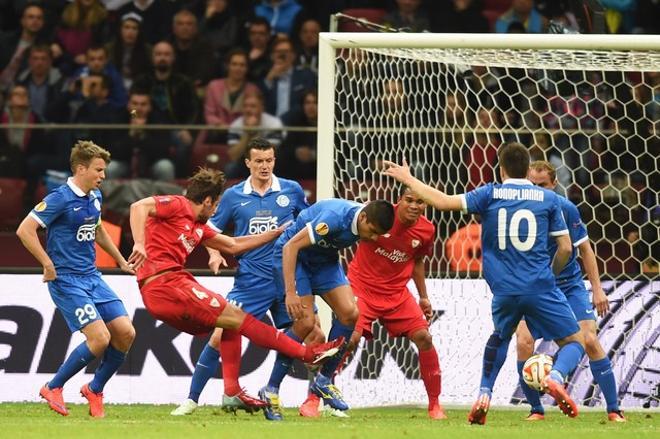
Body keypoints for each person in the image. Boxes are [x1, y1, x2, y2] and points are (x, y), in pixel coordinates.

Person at [383, 142, 586, 424]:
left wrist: (408, 179)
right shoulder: (547, 199)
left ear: (501, 169)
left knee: (500, 337)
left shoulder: (489, 193)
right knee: (574, 341)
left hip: (503, 290)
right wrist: (550, 275)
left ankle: (484, 393)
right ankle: (555, 377)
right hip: (540, 286)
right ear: (528, 170)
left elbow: (442, 201)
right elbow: (565, 247)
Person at [128, 168, 343, 402]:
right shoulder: (179, 205)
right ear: (208, 200)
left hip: (166, 290)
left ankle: (231, 391)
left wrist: (276, 234)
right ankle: (307, 354)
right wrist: (139, 243)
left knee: (230, 322)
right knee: (235, 317)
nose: (216, 211)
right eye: (216, 205)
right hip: (166, 283)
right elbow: (139, 206)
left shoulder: (198, 227)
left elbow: (232, 245)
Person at [170, 137, 318, 416]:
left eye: (269, 160)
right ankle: (192, 399)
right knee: (220, 333)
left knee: (311, 329)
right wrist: (215, 253)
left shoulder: (292, 190)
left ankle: (309, 398)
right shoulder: (234, 196)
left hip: (287, 277)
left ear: (275, 160)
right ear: (248, 162)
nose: (265, 166)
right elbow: (207, 229)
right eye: (259, 161)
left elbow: (306, 224)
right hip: (251, 278)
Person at [15, 140, 137, 418]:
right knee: (100, 338)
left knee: (126, 333)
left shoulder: (94, 196)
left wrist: (120, 260)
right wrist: (46, 263)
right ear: (81, 169)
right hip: (66, 280)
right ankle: (53, 386)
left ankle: (94, 389)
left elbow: (97, 230)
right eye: (99, 170)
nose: (103, 176)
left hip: (92, 276)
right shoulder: (59, 198)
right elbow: (25, 230)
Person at [315, 187, 447, 420]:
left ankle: (435, 405)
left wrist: (423, 296)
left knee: (424, 338)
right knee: (350, 339)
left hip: (396, 293)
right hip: (362, 289)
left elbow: (416, 262)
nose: (414, 206)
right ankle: (314, 398)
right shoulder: (382, 217)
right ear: (399, 200)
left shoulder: (427, 230)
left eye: (420, 202)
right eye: (409, 200)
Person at [257, 198, 395, 415]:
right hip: (296, 257)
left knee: (350, 314)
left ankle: (323, 380)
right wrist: (290, 292)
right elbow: (290, 246)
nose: (373, 237)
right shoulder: (334, 219)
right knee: (305, 323)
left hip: (324, 261)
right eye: (372, 230)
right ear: (364, 217)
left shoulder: (366, 220)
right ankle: (271, 390)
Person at [515, 160, 625, 422]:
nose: (538, 190)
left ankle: (613, 409)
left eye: (543, 185)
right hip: (535, 289)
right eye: (532, 185)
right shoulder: (520, 212)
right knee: (523, 342)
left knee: (589, 339)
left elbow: (585, 250)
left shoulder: (566, 209)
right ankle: (536, 410)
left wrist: (597, 290)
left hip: (569, 286)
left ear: (554, 184)